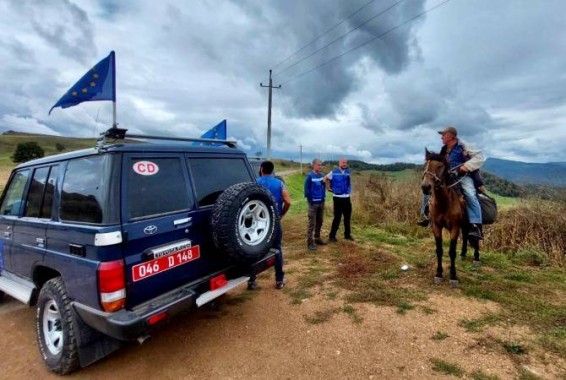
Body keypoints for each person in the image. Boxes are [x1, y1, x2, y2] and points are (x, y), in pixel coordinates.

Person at [418, 126, 484, 239]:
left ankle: (475, 226)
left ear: (451, 136)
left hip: (463, 176)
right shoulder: (444, 150)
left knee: (470, 194)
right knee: (428, 189)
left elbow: (480, 157)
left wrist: (466, 166)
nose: (442, 137)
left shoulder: (463, 146)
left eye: (444, 135)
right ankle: (428, 217)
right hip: (447, 177)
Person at [249, 160, 291, 290]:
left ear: (261, 169)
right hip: (274, 221)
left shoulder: (255, 183)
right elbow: (288, 202)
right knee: (277, 249)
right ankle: (279, 280)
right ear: (272, 170)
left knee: (253, 250)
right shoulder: (279, 183)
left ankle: (252, 281)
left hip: (258, 223)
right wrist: (281, 215)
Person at [325, 157, 354, 242]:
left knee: (347, 217)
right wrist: (328, 188)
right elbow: (325, 179)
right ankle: (332, 236)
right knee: (337, 217)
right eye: (343, 163)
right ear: (339, 163)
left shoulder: (348, 172)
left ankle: (347, 235)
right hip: (337, 198)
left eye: (345, 163)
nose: (344, 164)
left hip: (347, 198)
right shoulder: (333, 172)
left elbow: (348, 182)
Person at [304, 158, 326, 251]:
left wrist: (323, 196)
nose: (320, 166)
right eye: (318, 165)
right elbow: (306, 190)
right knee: (311, 223)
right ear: (313, 165)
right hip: (313, 203)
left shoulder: (322, 175)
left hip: (321, 202)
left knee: (320, 221)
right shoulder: (309, 176)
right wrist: (311, 200)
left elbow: (323, 185)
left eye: (321, 165)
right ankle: (310, 242)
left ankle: (317, 238)